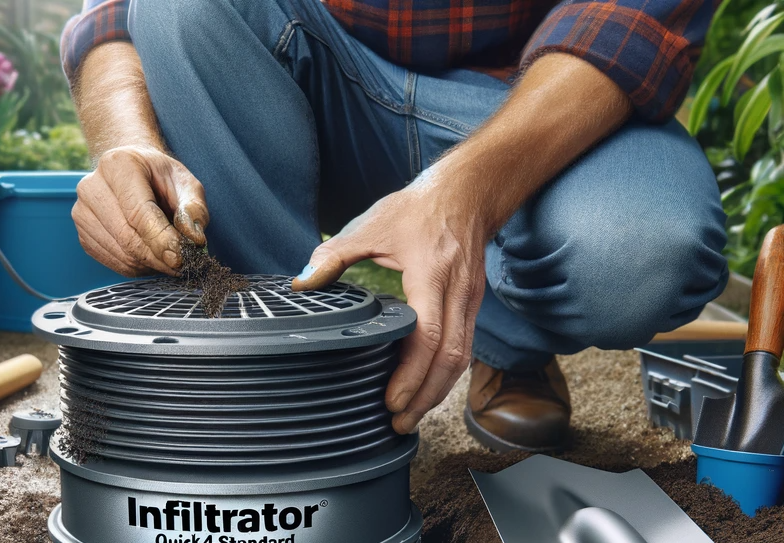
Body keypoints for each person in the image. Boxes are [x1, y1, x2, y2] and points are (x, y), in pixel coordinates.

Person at [60, 0, 727, 452]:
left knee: (641, 252)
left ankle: (507, 348)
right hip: (307, 62)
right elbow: (119, 9)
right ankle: (274, 374)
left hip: (534, 92)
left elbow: (633, 17)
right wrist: (126, 140)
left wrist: (463, 193)